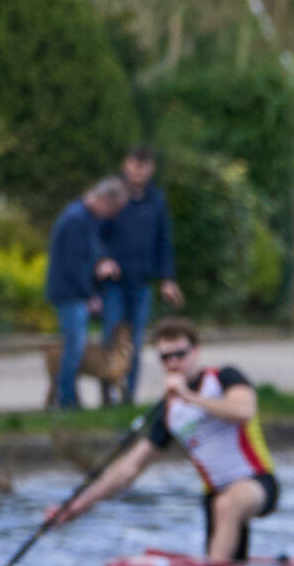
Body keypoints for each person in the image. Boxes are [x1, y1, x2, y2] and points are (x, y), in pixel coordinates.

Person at [45, 318, 278, 562]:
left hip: (257, 482)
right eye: (166, 358)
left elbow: (243, 410)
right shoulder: (169, 412)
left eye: (180, 354)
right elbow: (128, 469)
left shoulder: (224, 377)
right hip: (214, 496)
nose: (173, 363)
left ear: (196, 351)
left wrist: (189, 397)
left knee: (228, 505)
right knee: (225, 521)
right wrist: (76, 507)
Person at [98, 144, 183, 405]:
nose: (138, 171)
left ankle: (128, 395)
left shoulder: (156, 201)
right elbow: (97, 231)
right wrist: (103, 259)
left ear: (151, 169)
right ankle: (107, 395)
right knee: (111, 337)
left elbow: (163, 241)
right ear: (126, 165)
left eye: (144, 166)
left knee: (134, 342)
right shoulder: (114, 194)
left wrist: (167, 278)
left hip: (141, 282)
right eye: (135, 164)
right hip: (115, 283)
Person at [44, 176, 127, 411]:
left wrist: (100, 262)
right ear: (104, 200)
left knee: (75, 346)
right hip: (70, 294)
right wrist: (89, 293)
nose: (111, 216)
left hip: (73, 293)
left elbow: (88, 255)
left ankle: (67, 398)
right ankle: (66, 399)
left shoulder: (83, 217)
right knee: (74, 348)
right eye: (112, 209)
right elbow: (74, 265)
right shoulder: (77, 220)